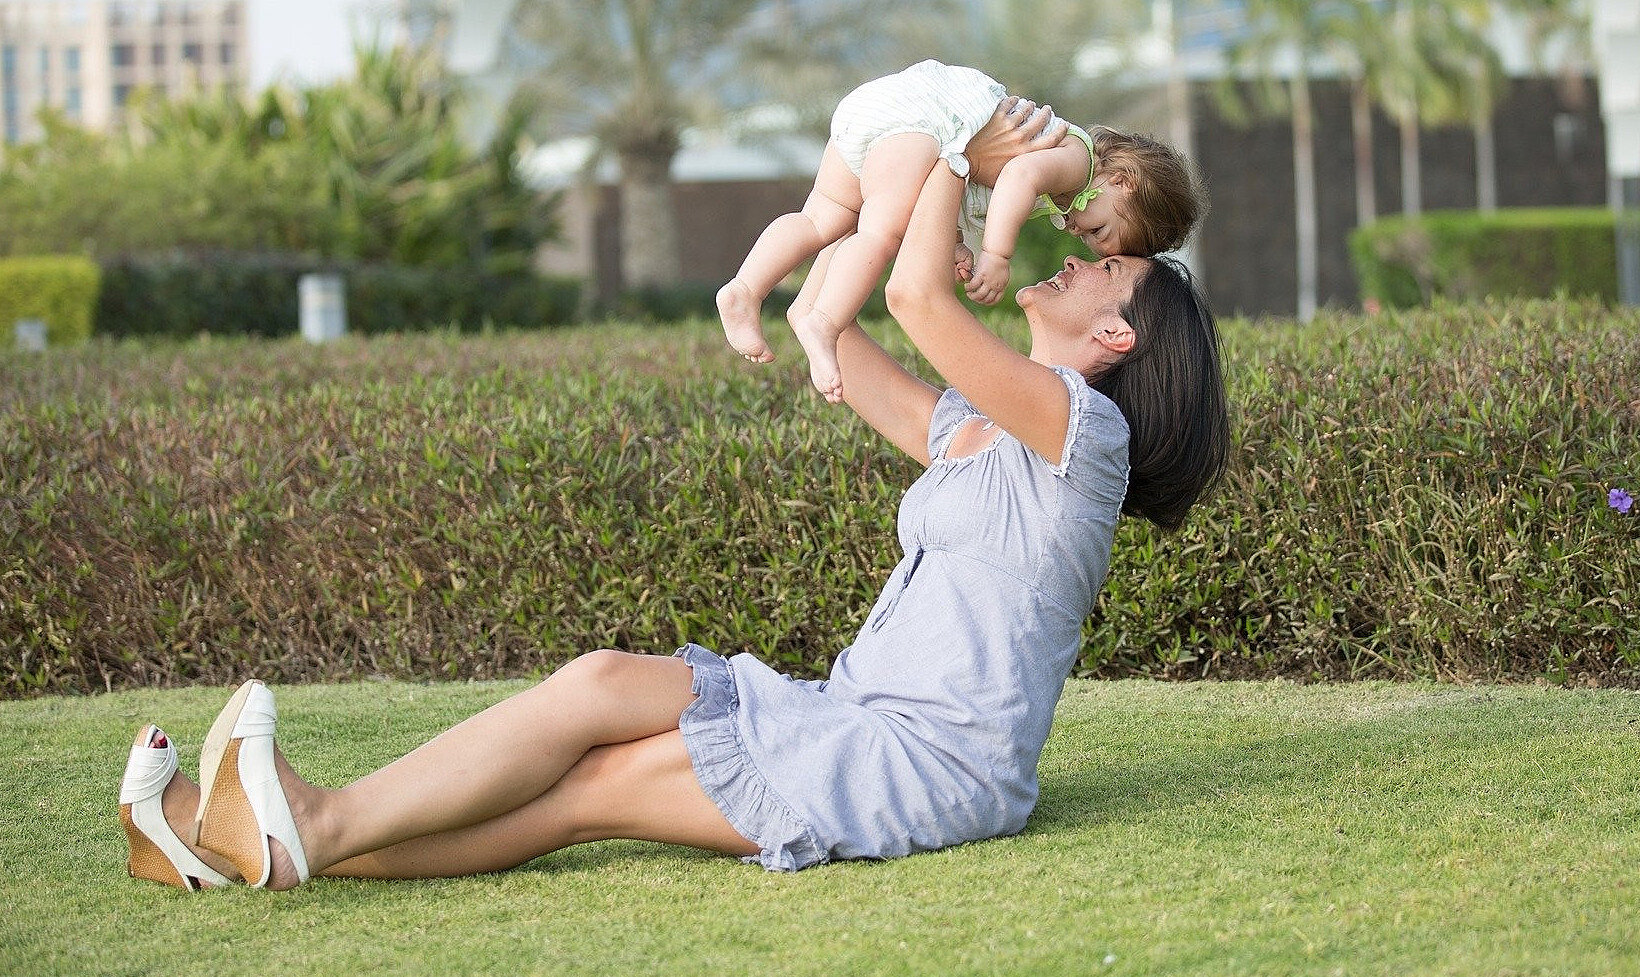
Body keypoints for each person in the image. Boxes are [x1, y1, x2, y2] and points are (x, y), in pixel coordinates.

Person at [114, 108, 1230, 889]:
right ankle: (232, 838)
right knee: (600, 685)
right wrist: (885, 187)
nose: (1076, 257)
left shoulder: (1086, 434)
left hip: (926, 763)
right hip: (847, 709)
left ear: (1115, 336)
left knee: (595, 790)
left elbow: (915, 295)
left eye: (1102, 271)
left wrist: (953, 127)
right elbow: (841, 330)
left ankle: (299, 829)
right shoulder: (982, 431)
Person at [716, 59, 1204, 403]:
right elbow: (1014, 175)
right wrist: (995, 254)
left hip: (888, 113)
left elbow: (965, 182)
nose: (1080, 234)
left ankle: (745, 288)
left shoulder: (1070, 184)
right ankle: (823, 321)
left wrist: (954, 242)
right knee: (881, 233)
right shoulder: (1078, 161)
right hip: (927, 122)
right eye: (1099, 230)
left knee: (823, 218)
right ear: (1123, 181)